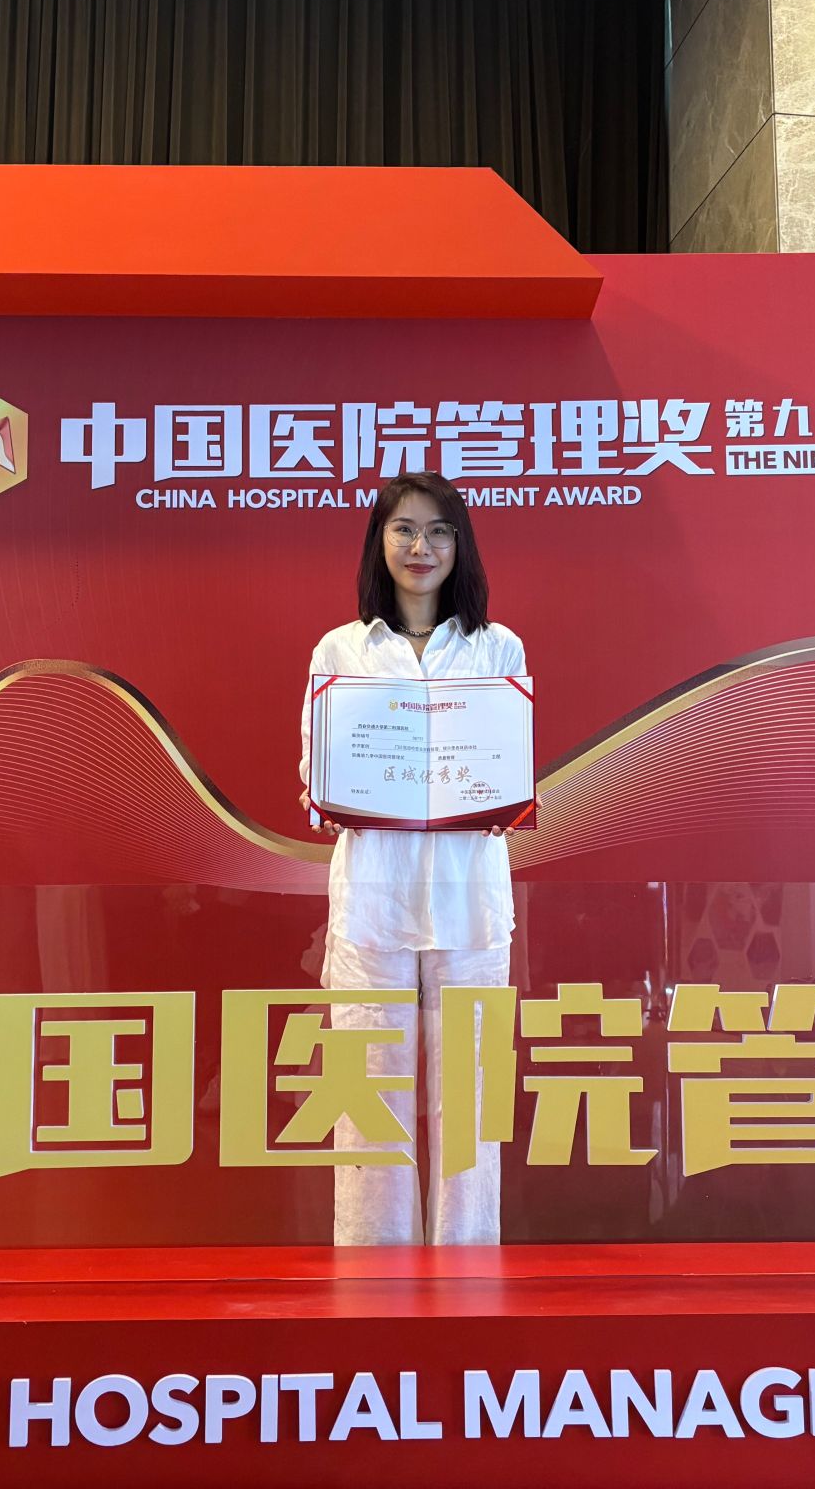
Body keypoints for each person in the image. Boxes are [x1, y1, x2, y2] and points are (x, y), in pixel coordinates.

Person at [297, 472, 527, 1245]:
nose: (419, 547)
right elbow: (316, 775)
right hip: (374, 898)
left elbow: (507, 767)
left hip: (469, 902)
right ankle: (374, 1277)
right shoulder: (341, 649)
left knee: (470, 1106)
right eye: (403, 529)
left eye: (437, 531)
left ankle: (468, 1270)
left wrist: (496, 792)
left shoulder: (497, 647)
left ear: (459, 545)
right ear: (380, 542)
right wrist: (336, 791)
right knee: (368, 1101)